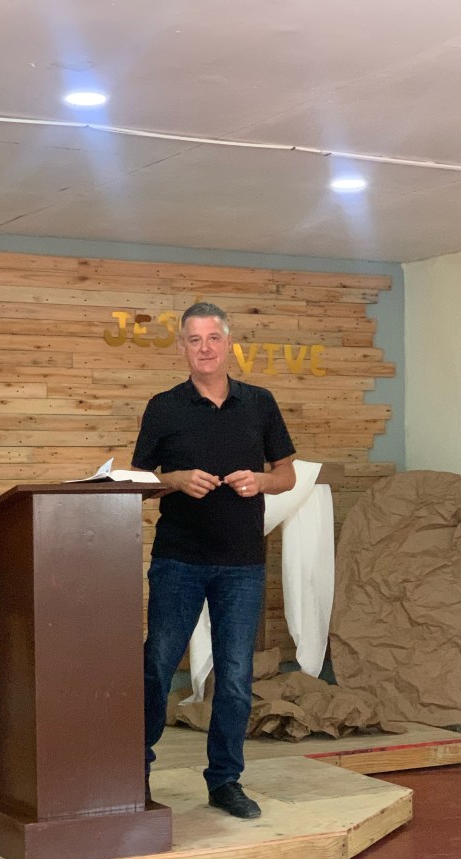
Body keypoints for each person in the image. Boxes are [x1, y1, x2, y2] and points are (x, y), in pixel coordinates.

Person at [132, 301, 296, 820]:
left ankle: (225, 780)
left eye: (213, 338)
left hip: (242, 563)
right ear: (182, 347)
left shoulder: (260, 403)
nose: (204, 348)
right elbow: (138, 481)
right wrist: (175, 480)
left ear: (228, 344)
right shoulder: (163, 407)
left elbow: (287, 474)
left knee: (235, 676)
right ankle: (132, 772)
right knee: (157, 665)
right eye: (194, 339)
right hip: (178, 560)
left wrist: (261, 480)